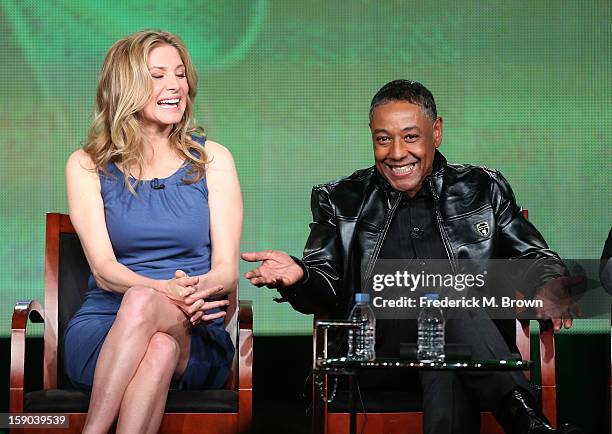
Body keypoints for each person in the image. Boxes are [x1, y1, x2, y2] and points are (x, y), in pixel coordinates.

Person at [243, 80, 582, 434]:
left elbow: (536, 256)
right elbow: (325, 282)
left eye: (410, 137)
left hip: (470, 351)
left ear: (436, 132)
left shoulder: (482, 188)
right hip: (379, 355)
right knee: (448, 307)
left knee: (448, 354)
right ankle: (530, 424)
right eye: (383, 139)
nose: (397, 153)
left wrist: (549, 283)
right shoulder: (343, 199)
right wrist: (300, 275)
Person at [63, 30, 242, 434]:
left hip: (193, 327)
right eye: (158, 75)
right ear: (126, 86)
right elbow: (105, 270)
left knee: (153, 319)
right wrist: (162, 290)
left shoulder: (213, 159)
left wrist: (189, 293)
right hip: (105, 326)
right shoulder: (86, 165)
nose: (175, 85)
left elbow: (226, 270)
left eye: (179, 74)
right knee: (156, 344)